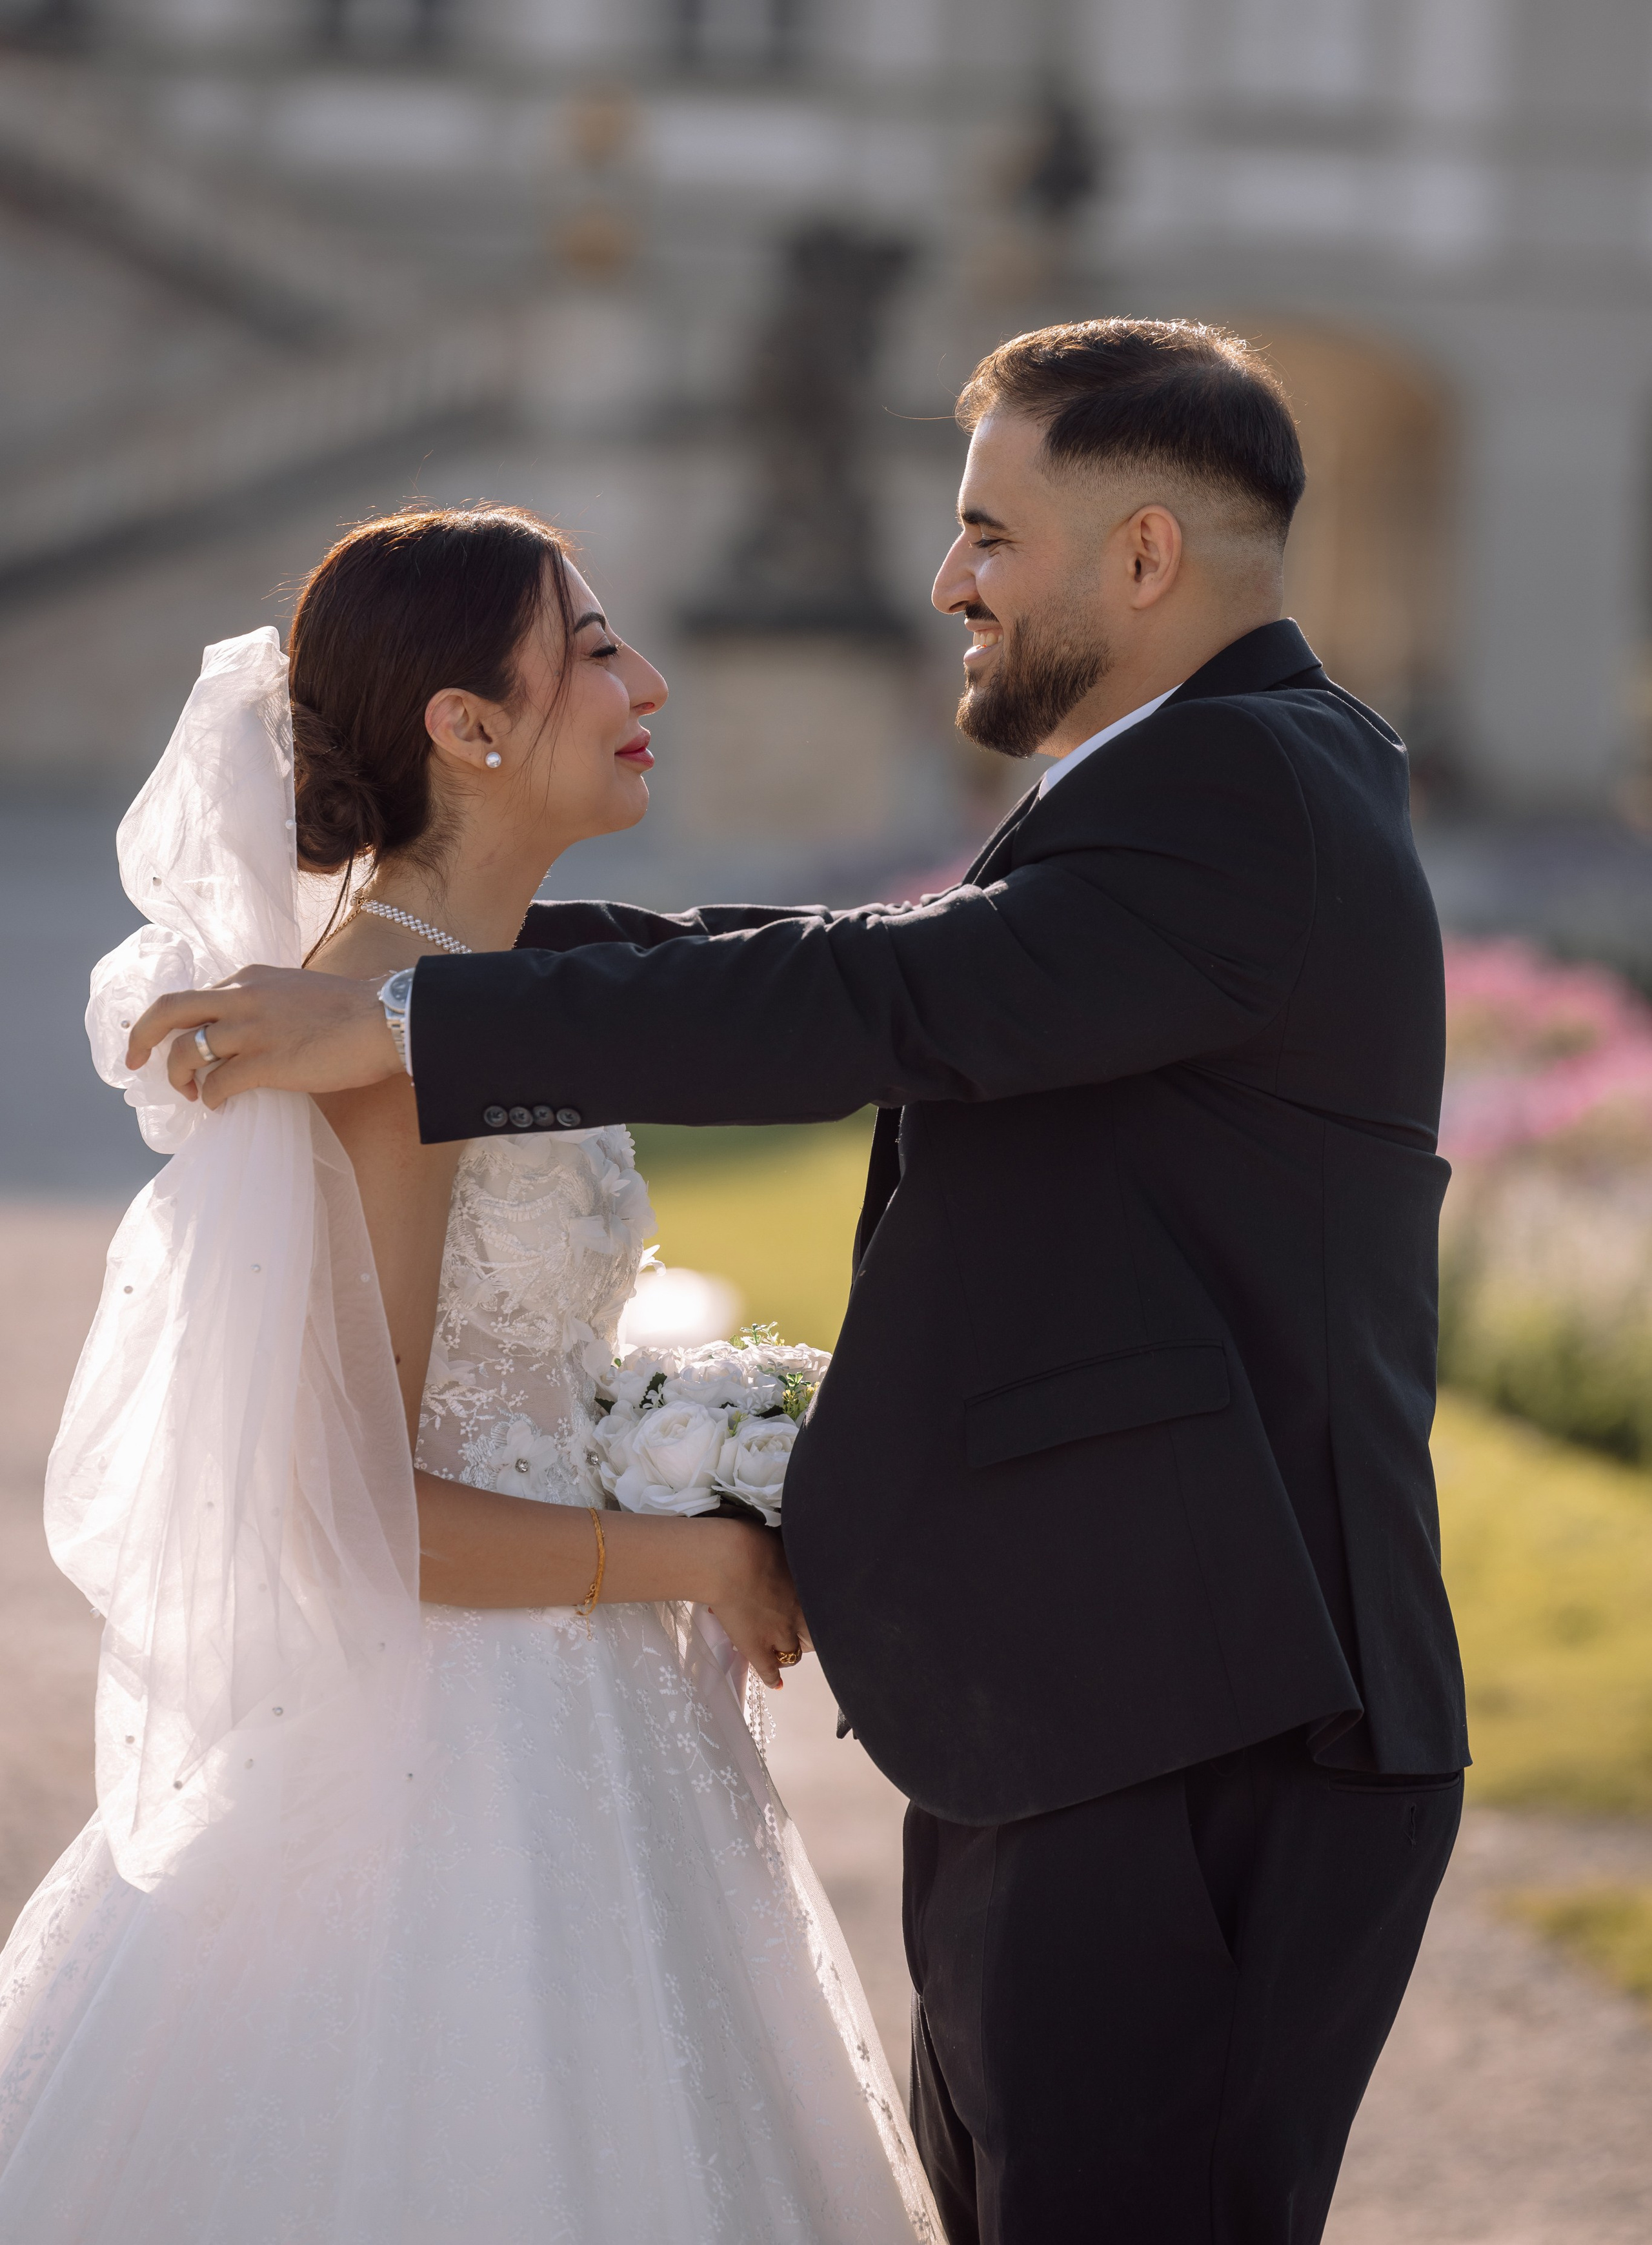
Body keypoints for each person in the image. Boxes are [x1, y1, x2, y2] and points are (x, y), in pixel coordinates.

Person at [130, 321, 1470, 2245]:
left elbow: (898, 994)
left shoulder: (1250, 782)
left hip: (1211, 1717)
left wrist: (425, 1015)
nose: (946, 583)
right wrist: (426, 969)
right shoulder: (1212, 777)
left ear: (1145, 555)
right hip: (1112, 1699)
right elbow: (864, 951)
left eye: (990, 534)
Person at [0, 507, 939, 2244]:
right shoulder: (370, 1036)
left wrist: (663, 1437)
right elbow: (343, 1508)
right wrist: (699, 1551)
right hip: (457, 1749)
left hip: (577, 1705)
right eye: (592, 648)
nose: (647, 683)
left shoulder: (468, 1000)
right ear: (467, 725)